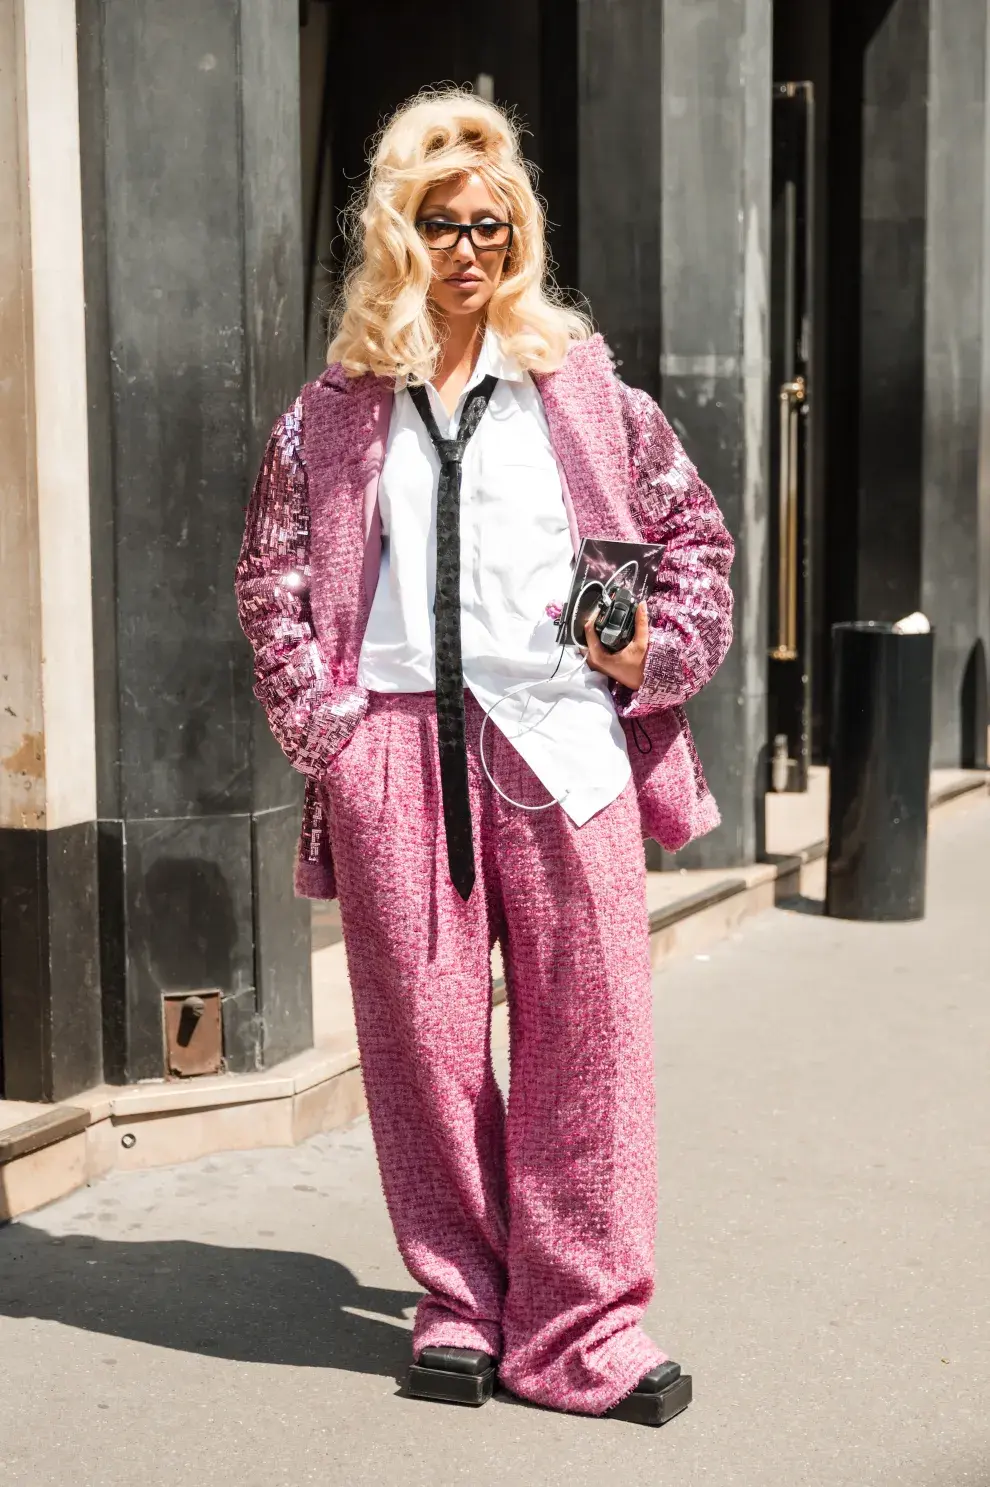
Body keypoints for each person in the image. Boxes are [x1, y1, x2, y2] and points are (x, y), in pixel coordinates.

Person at [236, 88, 733, 1424]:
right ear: (401, 235)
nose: (473, 248)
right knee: (424, 1048)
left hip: (562, 745)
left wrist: (648, 652)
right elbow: (272, 581)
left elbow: (696, 544)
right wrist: (330, 738)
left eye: (496, 225)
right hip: (396, 751)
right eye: (446, 224)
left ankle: (582, 1329)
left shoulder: (580, 392)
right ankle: (460, 1299)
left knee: (592, 1043)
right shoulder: (335, 414)